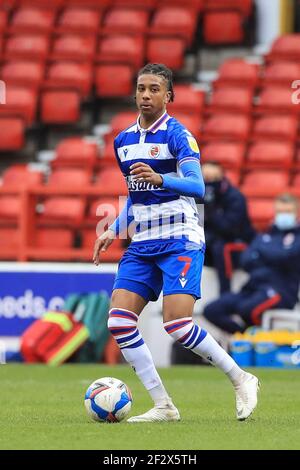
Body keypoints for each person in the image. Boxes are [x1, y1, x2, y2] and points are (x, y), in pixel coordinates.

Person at [93, 63, 259, 422]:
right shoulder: (122, 141)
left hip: (180, 238)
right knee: (119, 322)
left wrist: (161, 177)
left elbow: (197, 187)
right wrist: (114, 229)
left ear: (168, 96)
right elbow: (136, 196)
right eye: (140, 88)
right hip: (142, 243)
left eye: (154, 89)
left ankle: (241, 378)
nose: (145, 95)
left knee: (178, 325)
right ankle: (164, 406)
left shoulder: (178, 135)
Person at [203, 193, 300, 334]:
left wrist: (262, 252)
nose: (283, 215)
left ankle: (254, 342)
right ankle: (244, 335)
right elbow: (246, 259)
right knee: (212, 310)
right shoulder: (264, 235)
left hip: (281, 292)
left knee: (246, 309)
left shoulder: (296, 237)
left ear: (296, 213)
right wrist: (273, 254)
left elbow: (286, 256)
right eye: (280, 212)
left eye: (287, 212)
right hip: (252, 289)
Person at [202, 161, 256, 293]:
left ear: (221, 178)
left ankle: (225, 293)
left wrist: (210, 210)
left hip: (238, 243)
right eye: (205, 178)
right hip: (210, 241)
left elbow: (228, 228)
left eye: (212, 179)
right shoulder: (197, 195)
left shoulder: (235, 197)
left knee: (221, 247)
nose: (208, 182)